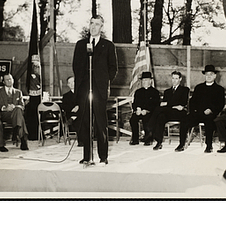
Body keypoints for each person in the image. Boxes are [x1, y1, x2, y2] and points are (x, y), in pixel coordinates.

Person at [72, 15, 118, 165]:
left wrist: (103, 81)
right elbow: (76, 66)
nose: (93, 27)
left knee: (100, 122)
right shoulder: (80, 45)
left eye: (97, 24)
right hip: (84, 89)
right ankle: (86, 156)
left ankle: (103, 156)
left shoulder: (108, 45)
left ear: (101, 27)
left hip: (99, 89)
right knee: (85, 122)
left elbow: (113, 68)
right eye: (92, 23)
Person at [175, 64, 225, 153]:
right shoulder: (199, 87)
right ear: (204, 75)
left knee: (209, 122)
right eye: (207, 74)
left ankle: (209, 146)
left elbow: (220, 104)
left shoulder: (219, 89)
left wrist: (211, 110)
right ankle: (181, 144)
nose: (208, 76)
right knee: (184, 120)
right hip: (197, 113)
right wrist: (194, 110)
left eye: (211, 74)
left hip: (210, 114)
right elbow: (192, 101)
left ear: (214, 76)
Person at [144, 71, 189, 149]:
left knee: (158, 109)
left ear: (180, 79)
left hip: (180, 113)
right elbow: (166, 105)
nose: (174, 80)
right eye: (172, 78)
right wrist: (174, 105)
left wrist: (169, 104)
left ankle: (150, 127)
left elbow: (183, 102)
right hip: (169, 112)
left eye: (176, 78)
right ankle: (159, 142)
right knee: (161, 116)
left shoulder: (184, 90)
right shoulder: (167, 92)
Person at [0, 73, 29, 151]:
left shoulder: (18, 92)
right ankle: (22, 138)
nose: (9, 81)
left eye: (10, 79)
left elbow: (22, 106)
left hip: (16, 114)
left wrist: (14, 107)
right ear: (3, 82)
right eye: (7, 79)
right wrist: (5, 108)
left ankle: (17, 130)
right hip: (4, 115)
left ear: (13, 80)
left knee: (18, 110)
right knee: (20, 116)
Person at [129, 71, 160, 145]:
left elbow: (156, 105)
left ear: (150, 81)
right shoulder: (138, 92)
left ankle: (148, 139)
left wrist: (146, 110)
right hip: (139, 111)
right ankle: (135, 139)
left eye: (146, 80)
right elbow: (134, 103)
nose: (144, 82)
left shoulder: (155, 92)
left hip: (150, 112)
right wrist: (137, 109)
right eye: (143, 80)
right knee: (133, 119)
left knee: (146, 119)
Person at [61, 76, 82, 146]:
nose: (72, 84)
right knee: (78, 119)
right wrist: (72, 108)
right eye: (70, 83)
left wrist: (78, 106)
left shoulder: (81, 94)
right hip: (70, 114)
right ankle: (73, 117)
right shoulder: (66, 96)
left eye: (73, 82)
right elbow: (64, 107)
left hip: (80, 114)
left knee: (81, 117)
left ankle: (73, 118)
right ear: (67, 85)